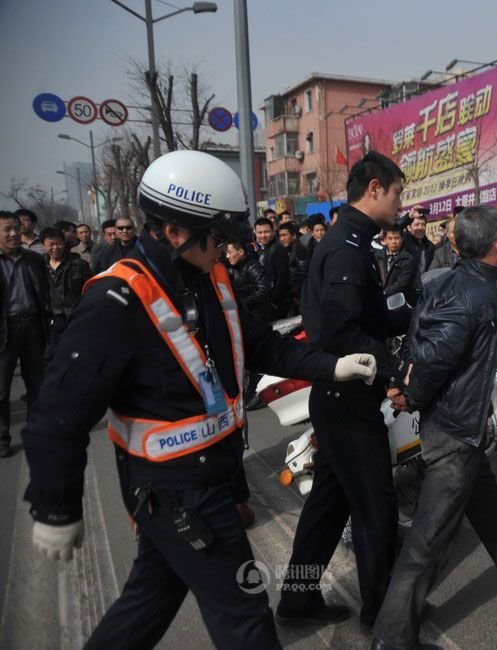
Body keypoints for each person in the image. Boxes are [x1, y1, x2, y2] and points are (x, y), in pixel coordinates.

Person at [21, 150, 377, 649]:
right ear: (173, 231)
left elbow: (263, 344)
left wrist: (331, 366)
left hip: (207, 474)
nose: (226, 250)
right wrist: (56, 507)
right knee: (247, 614)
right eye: (218, 239)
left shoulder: (207, 279)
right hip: (176, 491)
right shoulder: (115, 301)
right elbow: (55, 416)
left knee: (150, 599)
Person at [373, 205, 497, 650]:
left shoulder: (459, 282)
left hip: (462, 427)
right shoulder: (472, 295)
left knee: (487, 504)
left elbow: (423, 340)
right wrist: (410, 391)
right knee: (427, 541)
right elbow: (435, 356)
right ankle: (392, 638)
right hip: (455, 432)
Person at [281, 151, 411, 631]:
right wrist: (394, 370)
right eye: (397, 193)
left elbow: (366, 315)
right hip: (347, 396)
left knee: (329, 504)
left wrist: (414, 312)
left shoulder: (353, 239)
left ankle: (296, 599)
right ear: (374, 188)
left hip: (339, 397)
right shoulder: (345, 246)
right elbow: (342, 330)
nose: (401, 203)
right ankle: (386, 619)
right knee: (377, 505)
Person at [0, 211, 49, 458]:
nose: (14, 234)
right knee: (1, 390)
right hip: (4, 331)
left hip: (32, 327)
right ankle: (2, 440)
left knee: (37, 387)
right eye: (7, 229)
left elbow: (45, 295)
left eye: (16, 228)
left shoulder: (34, 260)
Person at [225, 239, 274, 411]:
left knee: (256, 355)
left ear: (240, 252)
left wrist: (244, 304)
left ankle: (258, 393)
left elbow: (264, 289)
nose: (227, 255)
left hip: (257, 317)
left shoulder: (253, 267)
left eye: (230, 252)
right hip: (243, 317)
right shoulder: (230, 269)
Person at [40, 226, 92, 362]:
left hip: (76, 317)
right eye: (51, 244)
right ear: (44, 246)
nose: (56, 248)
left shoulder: (79, 264)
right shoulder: (39, 266)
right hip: (52, 318)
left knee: (79, 356)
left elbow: (90, 290)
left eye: (59, 243)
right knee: (51, 357)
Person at [253, 217, 291, 319]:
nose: (263, 235)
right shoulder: (261, 249)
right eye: (259, 232)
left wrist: (273, 301)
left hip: (276, 304)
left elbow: (282, 278)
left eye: (266, 232)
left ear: (273, 232)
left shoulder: (278, 249)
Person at [375, 227, 418, 305]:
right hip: (379, 300)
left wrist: (384, 292)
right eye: (390, 238)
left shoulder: (408, 259)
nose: (394, 242)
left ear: (402, 239)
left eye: (397, 238)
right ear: (385, 240)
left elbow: (402, 283)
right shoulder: (378, 256)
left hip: (398, 302)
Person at [277, 222, 308, 315]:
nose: (282, 239)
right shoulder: (287, 250)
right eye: (280, 236)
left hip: (299, 297)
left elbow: (303, 273)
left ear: (294, 235)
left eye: (285, 235)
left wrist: (297, 295)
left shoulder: (300, 250)